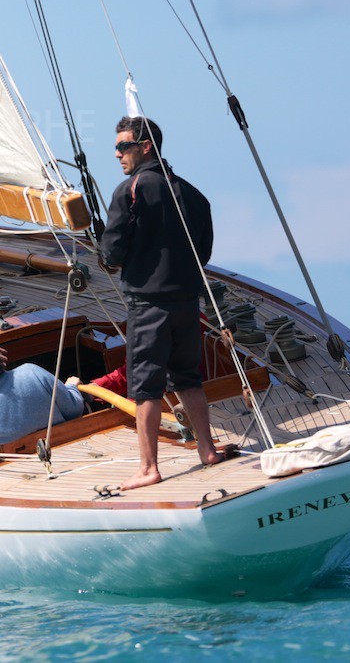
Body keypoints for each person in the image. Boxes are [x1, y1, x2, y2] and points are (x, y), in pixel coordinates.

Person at [98, 115, 223, 490]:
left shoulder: (129, 190)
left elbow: (112, 254)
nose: (117, 153)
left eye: (123, 146)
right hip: (187, 303)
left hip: (148, 306)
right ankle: (207, 449)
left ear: (145, 146)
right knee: (188, 377)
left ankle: (149, 468)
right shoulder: (193, 193)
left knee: (145, 386)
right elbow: (203, 251)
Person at [0, 340, 85, 471]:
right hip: (69, 453)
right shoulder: (32, 371)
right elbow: (74, 410)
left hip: (20, 472)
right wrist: (72, 387)